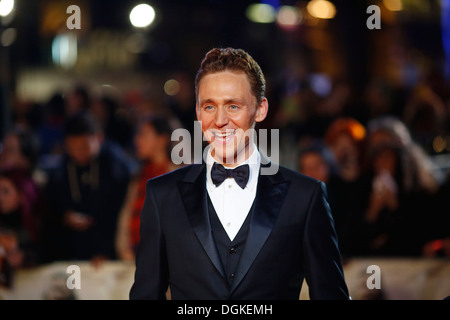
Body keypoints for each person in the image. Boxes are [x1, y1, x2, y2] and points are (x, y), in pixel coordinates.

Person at [130, 48, 349, 300]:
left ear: (260, 109)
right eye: (209, 106)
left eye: (233, 106)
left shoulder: (305, 196)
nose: (220, 120)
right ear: (198, 113)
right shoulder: (162, 195)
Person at [43, 113, 132, 264]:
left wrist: (105, 250)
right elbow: (53, 203)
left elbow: (119, 210)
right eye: (72, 147)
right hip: (72, 248)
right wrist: (65, 216)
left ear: (99, 138)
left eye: (84, 146)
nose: (78, 153)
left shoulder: (115, 166)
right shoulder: (62, 167)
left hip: (107, 248)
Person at [116, 115, 176, 261]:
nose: (137, 140)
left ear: (162, 139)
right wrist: (125, 251)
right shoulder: (138, 177)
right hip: (137, 259)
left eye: (143, 134)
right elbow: (127, 218)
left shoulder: (178, 177)